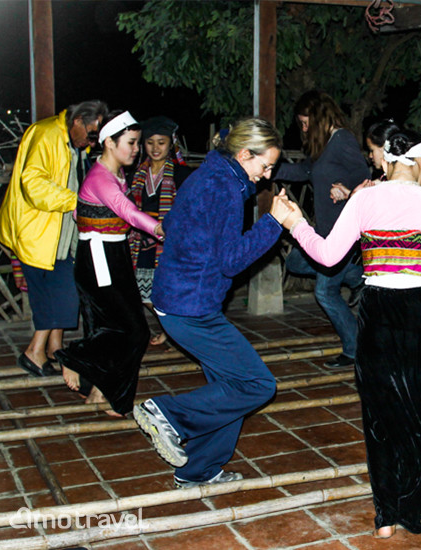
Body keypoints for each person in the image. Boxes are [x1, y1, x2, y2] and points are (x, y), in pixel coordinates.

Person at [279, 129, 421, 538]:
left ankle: (387, 516)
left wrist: (295, 223)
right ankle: (413, 503)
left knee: (381, 410)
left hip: (378, 308)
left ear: (384, 161)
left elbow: (327, 255)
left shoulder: (363, 199)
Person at [133, 118, 290, 489]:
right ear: (242, 154)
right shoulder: (222, 188)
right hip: (191, 309)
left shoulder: (208, 176)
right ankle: (168, 414)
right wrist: (274, 223)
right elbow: (232, 261)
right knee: (257, 385)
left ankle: (199, 470)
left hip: (180, 300)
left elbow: (173, 223)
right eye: (264, 165)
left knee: (229, 386)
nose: (267, 176)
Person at [54, 111, 164, 416]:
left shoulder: (113, 173)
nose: (136, 149)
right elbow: (126, 211)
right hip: (99, 259)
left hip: (113, 255)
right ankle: (72, 357)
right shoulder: (101, 177)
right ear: (109, 142)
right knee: (132, 331)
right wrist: (157, 229)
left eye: (137, 143)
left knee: (110, 327)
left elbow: (83, 213)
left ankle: (103, 395)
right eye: (130, 143)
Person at [0, 100, 108, 381]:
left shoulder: (77, 143)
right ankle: (35, 351)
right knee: (51, 294)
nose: (93, 140)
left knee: (63, 291)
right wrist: (76, 202)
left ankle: (53, 347)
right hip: (38, 232)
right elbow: (32, 183)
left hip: (61, 235)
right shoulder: (47, 135)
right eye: (92, 133)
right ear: (78, 121)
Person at [273, 91, 370, 368]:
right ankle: (358, 275)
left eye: (306, 123)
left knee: (325, 293)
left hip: (343, 234)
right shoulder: (326, 145)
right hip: (324, 232)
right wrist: (271, 170)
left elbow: (366, 181)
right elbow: (305, 171)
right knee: (295, 261)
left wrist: (348, 191)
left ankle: (354, 349)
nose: (303, 129)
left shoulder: (342, 140)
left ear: (319, 118)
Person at [127, 116, 193, 346]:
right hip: (140, 244)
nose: (155, 148)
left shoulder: (181, 175)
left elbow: (189, 212)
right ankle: (172, 329)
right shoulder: (135, 175)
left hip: (169, 246)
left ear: (171, 144)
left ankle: (175, 332)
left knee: (167, 294)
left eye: (161, 142)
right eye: (150, 142)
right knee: (144, 294)